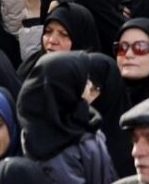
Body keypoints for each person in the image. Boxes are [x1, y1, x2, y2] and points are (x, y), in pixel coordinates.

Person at [16, 51, 116, 182]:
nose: (90, 85)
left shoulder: (83, 122)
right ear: (64, 89)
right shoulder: (54, 149)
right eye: (84, 80)